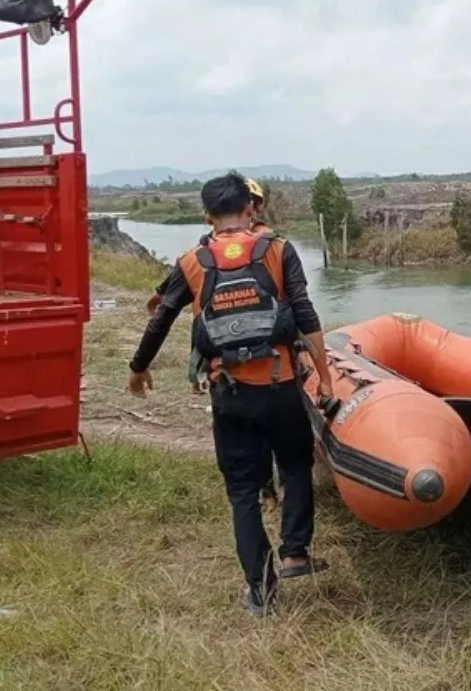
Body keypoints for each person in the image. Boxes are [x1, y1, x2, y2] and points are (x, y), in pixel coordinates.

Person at [126, 171, 338, 615]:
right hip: (281, 388)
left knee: (243, 492)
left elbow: (161, 317)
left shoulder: (192, 260)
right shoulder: (278, 250)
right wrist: (325, 375)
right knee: (296, 465)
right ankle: (296, 551)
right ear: (252, 208)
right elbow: (304, 313)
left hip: (230, 394)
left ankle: (261, 591)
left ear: (207, 215)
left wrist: (138, 368)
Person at [145, 178, 281, 511]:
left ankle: (263, 488)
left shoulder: (217, 245)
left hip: (234, 358)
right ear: (252, 207)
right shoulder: (273, 246)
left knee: (250, 426)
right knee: (271, 423)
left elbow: (186, 276)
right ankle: (273, 488)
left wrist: (162, 298)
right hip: (268, 359)